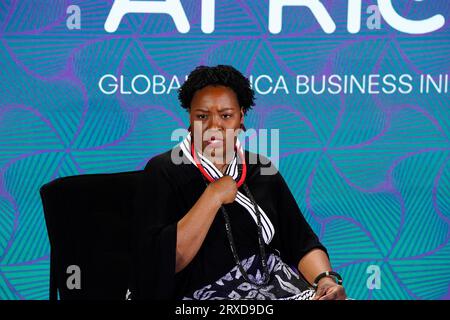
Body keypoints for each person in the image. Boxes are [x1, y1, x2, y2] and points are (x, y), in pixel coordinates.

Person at [130, 65, 347, 300]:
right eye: (203, 116)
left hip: (275, 290)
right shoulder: (164, 170)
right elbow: (163, 262)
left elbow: (302, 242)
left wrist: (324, 280)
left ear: (241, 117)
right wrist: (212, 196)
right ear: (190, 119)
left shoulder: (261, 170)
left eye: (226, 115)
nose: (214, 126)